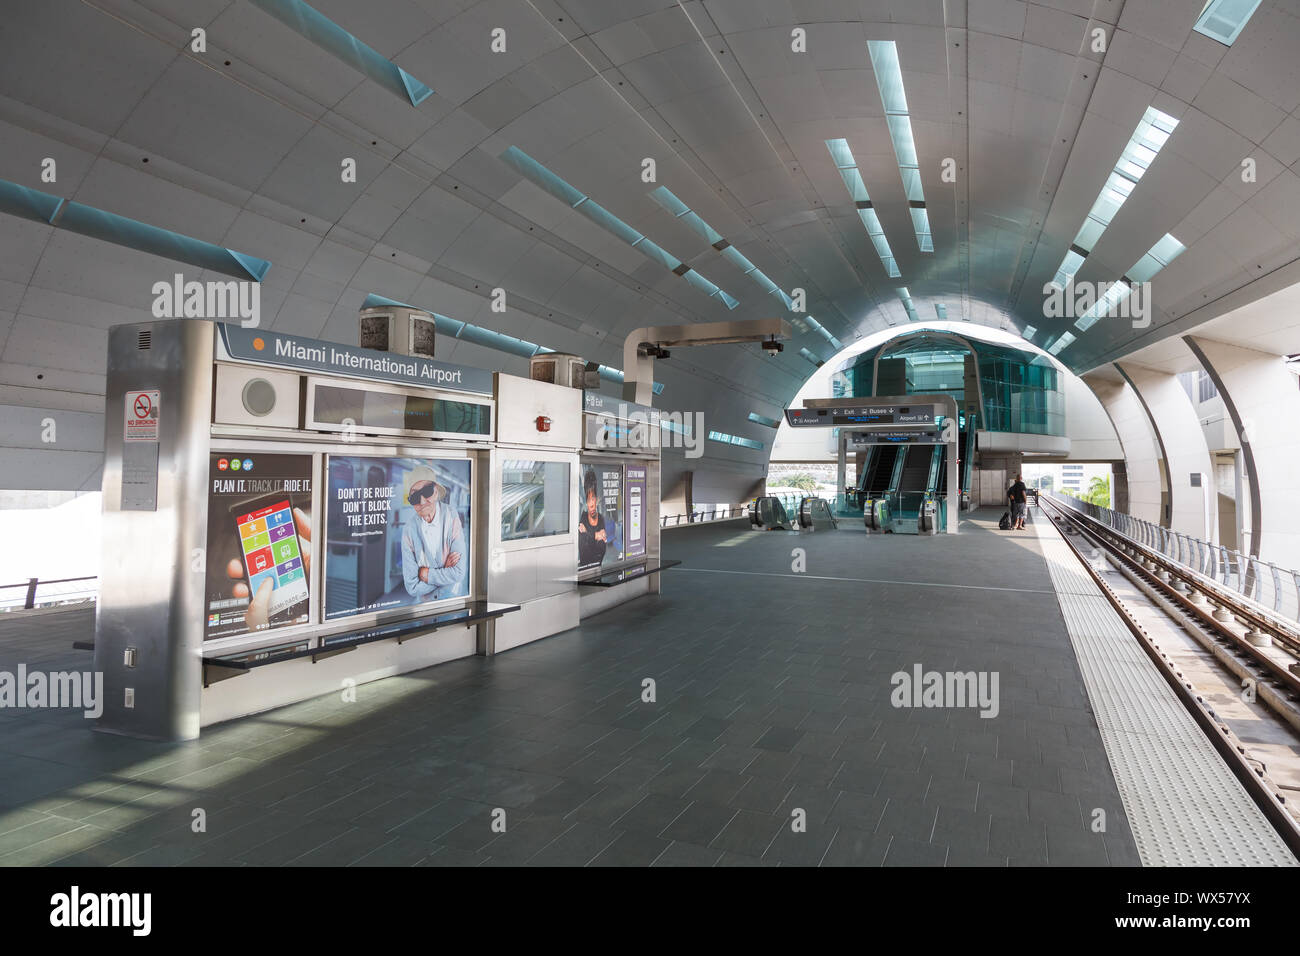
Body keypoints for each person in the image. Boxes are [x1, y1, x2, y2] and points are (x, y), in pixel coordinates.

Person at [400, 466, 467, 600]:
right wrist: (445, 570)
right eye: (415, 497)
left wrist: (426, 575)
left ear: (436, 492)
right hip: (425, 604)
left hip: (452, 599)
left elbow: (458, 573)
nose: (422, 501)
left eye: (427, 491)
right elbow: (412, 587)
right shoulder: (409, 529)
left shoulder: (451, 516)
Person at [578, 467, 607, 569]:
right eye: (588, 499)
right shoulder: (582, 518)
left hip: (598, 570)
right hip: (584, 573)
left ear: (598, 499)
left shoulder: (601, 519)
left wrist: (587, 534)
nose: (591, 504)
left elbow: (602, 550)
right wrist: (596, 536)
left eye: (593, 498)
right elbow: (584, 551)